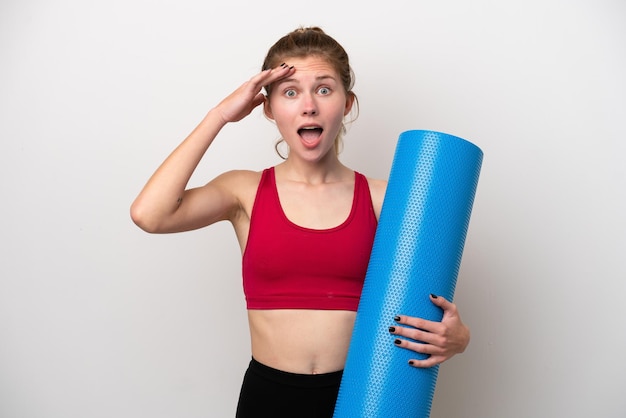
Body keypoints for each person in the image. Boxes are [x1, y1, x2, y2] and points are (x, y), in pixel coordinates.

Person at [130, 26, 470, 418]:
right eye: (290, 92)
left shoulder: (386, 198)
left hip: (363, 397)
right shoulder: (245, 191)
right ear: (269, 108)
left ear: (347, 103)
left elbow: (426, 304)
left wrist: (459, 338)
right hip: (269, 398)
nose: (308, 105)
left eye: (324, 89)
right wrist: (220, 115)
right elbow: (149, 214)